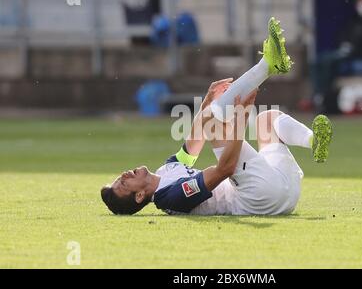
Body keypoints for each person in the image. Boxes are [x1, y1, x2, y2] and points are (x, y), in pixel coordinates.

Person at [101, 18, 333, 216]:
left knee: (266, 120)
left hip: (285, 191)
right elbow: (225, 170)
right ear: (140, 195)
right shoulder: (170, 198)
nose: (123, 175)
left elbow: (194, 141)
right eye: (123, 183)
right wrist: (239, 118)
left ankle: (314, 142)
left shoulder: (166, 171)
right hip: (258, 198)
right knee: (212, 121)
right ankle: (266, 66)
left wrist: (207, 100)